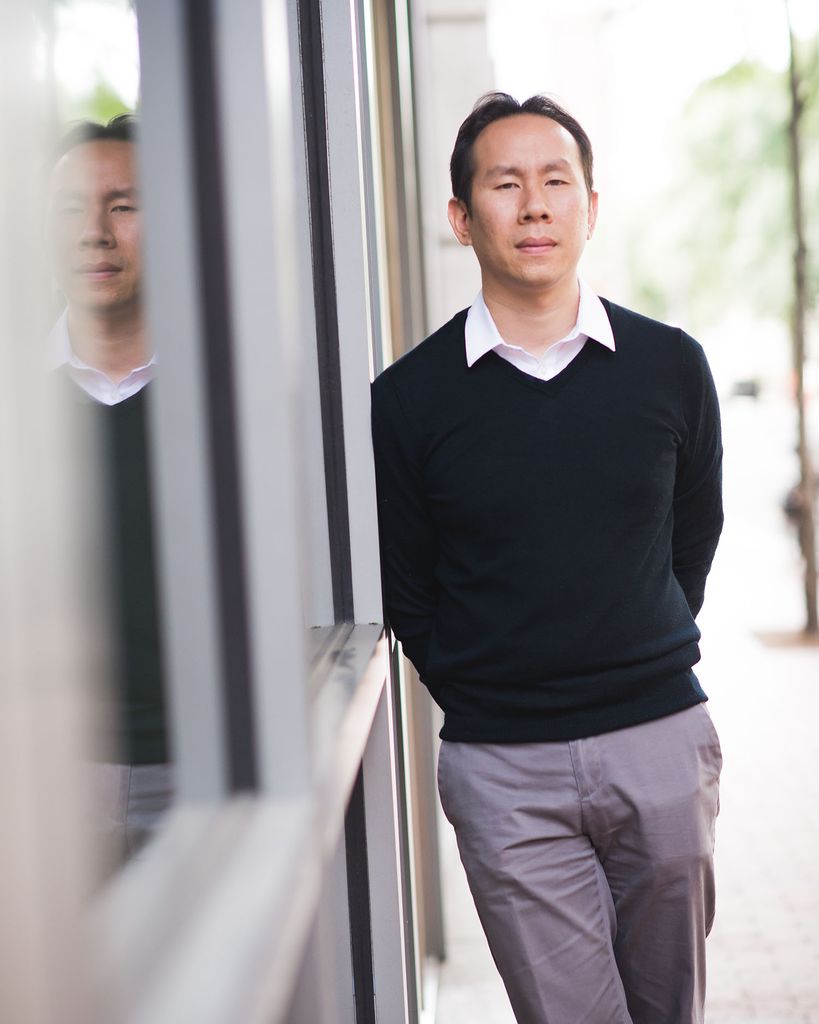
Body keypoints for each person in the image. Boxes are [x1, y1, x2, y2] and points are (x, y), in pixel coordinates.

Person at [372, 93, 724, 1024]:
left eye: (555, 181)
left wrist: (638, 641)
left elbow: (692, 535)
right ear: (461, 217)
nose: (534, 205)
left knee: (669, 1011)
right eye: (505, 183)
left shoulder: (670, 367)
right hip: (503, 768)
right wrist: (489, 690)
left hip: (659, 743)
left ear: (589, 207)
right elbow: (409, 586)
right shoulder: (407, 400)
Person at [47, 115, 171, 865]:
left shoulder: (232, 399)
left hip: (210, 773)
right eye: (70, 209)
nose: (96, 231)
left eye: (124, 205)